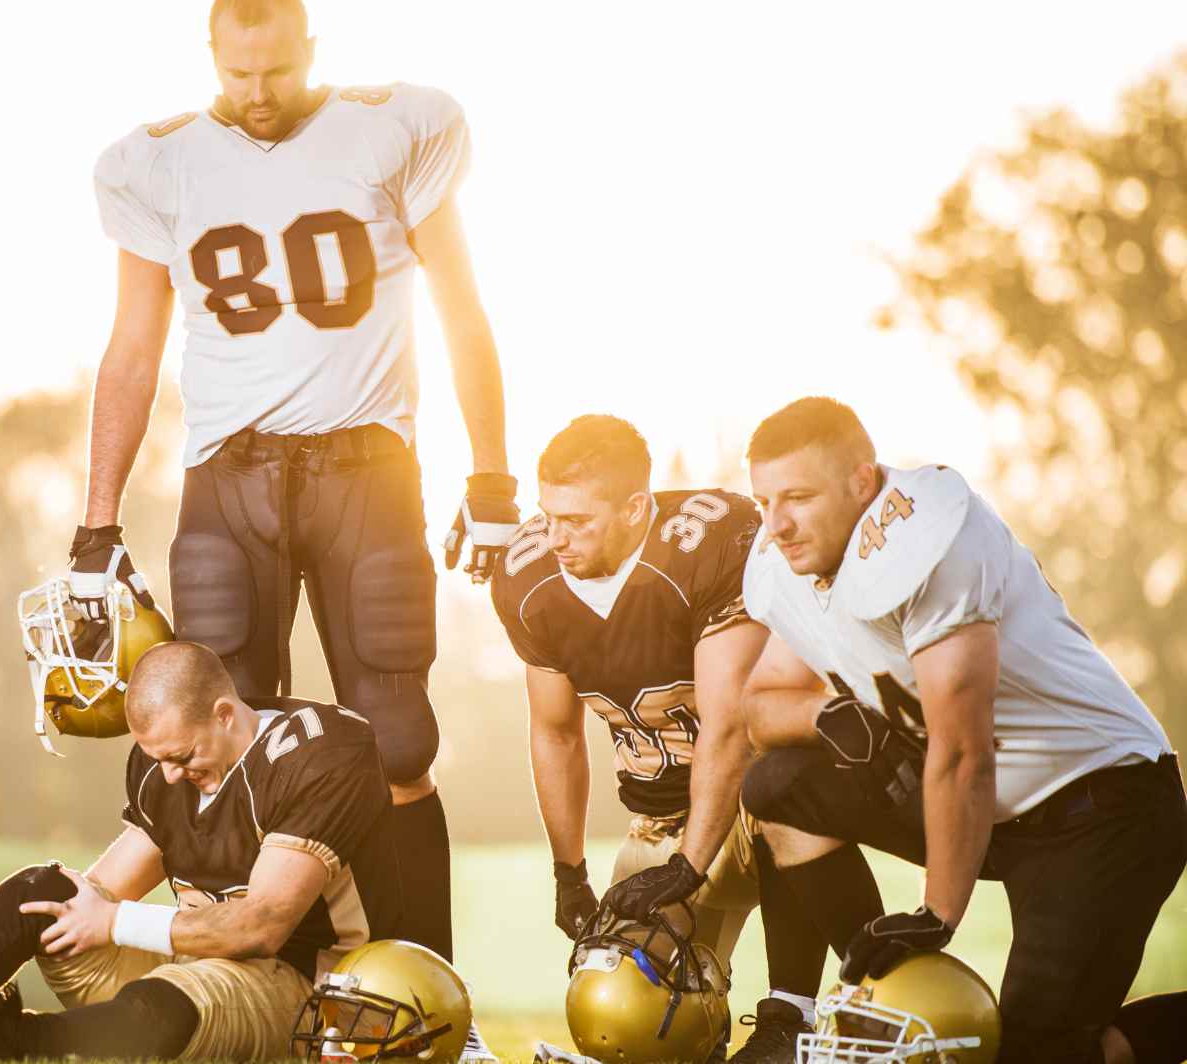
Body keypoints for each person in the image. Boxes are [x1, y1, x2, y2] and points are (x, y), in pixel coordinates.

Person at [73, 0, 516, 999]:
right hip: (227, 479)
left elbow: (463, 309)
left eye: (276, 70)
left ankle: (423, 997)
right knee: (227, 741)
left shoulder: (391, 128)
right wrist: (97, 521)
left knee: (399, 741)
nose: (258, 93)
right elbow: (133, 347)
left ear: (310, 47)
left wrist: (491, 471)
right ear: (211, 55)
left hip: (368, 468)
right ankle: (282, 998)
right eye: (238, 74)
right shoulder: (161, 160)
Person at [738, 396, 1187, 1064]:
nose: (777, 525)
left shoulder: (933, 540)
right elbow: (760, 705)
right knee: (777, 785)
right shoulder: (804, 556)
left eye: (797, 497)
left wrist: (935, 915)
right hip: (995, 814)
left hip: (1100, 808)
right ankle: (882, 997)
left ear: (862, 482)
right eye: (764, 501)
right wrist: (829, 715)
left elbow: (963, 752)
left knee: (1037, 1054)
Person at [0, 641, 405, 1061]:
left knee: (180, 995)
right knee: (43, 892)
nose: (167, 776)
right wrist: (16, 916)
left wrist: (116, 920)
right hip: (194, 963)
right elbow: (102, 893)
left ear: (224, 714)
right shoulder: (166, 766)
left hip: (298, 992)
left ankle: (17, 1040)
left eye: (181, 757)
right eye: (156, 760)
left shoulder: (322, 752)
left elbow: (261, 927)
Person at [491, 415, 832, 1062]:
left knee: (781, 785)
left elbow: (730, 728)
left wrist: (690, 866)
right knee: (624, 1019)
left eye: (578, 521)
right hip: (655, 820)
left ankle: (793, 1015)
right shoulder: (529, 579)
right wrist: (570, 874)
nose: (555, 538)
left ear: (635, 508)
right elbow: (555, 732)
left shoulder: (708, 544)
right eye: (548, 516)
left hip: (746, 808)